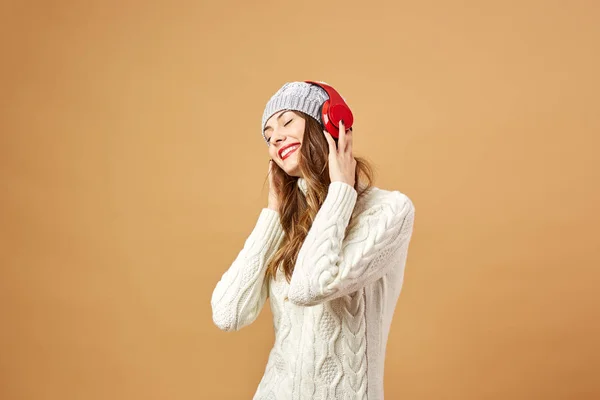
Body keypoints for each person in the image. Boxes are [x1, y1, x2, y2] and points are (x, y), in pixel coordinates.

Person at [210, 81, 416, 399]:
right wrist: (273, 214)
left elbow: (309, 289)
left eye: (287, 121)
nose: (275, 136)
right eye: (267, 135)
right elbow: (228, 313)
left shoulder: (389, 211)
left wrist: (341, 191)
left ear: (331, 122)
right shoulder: (287, 224)